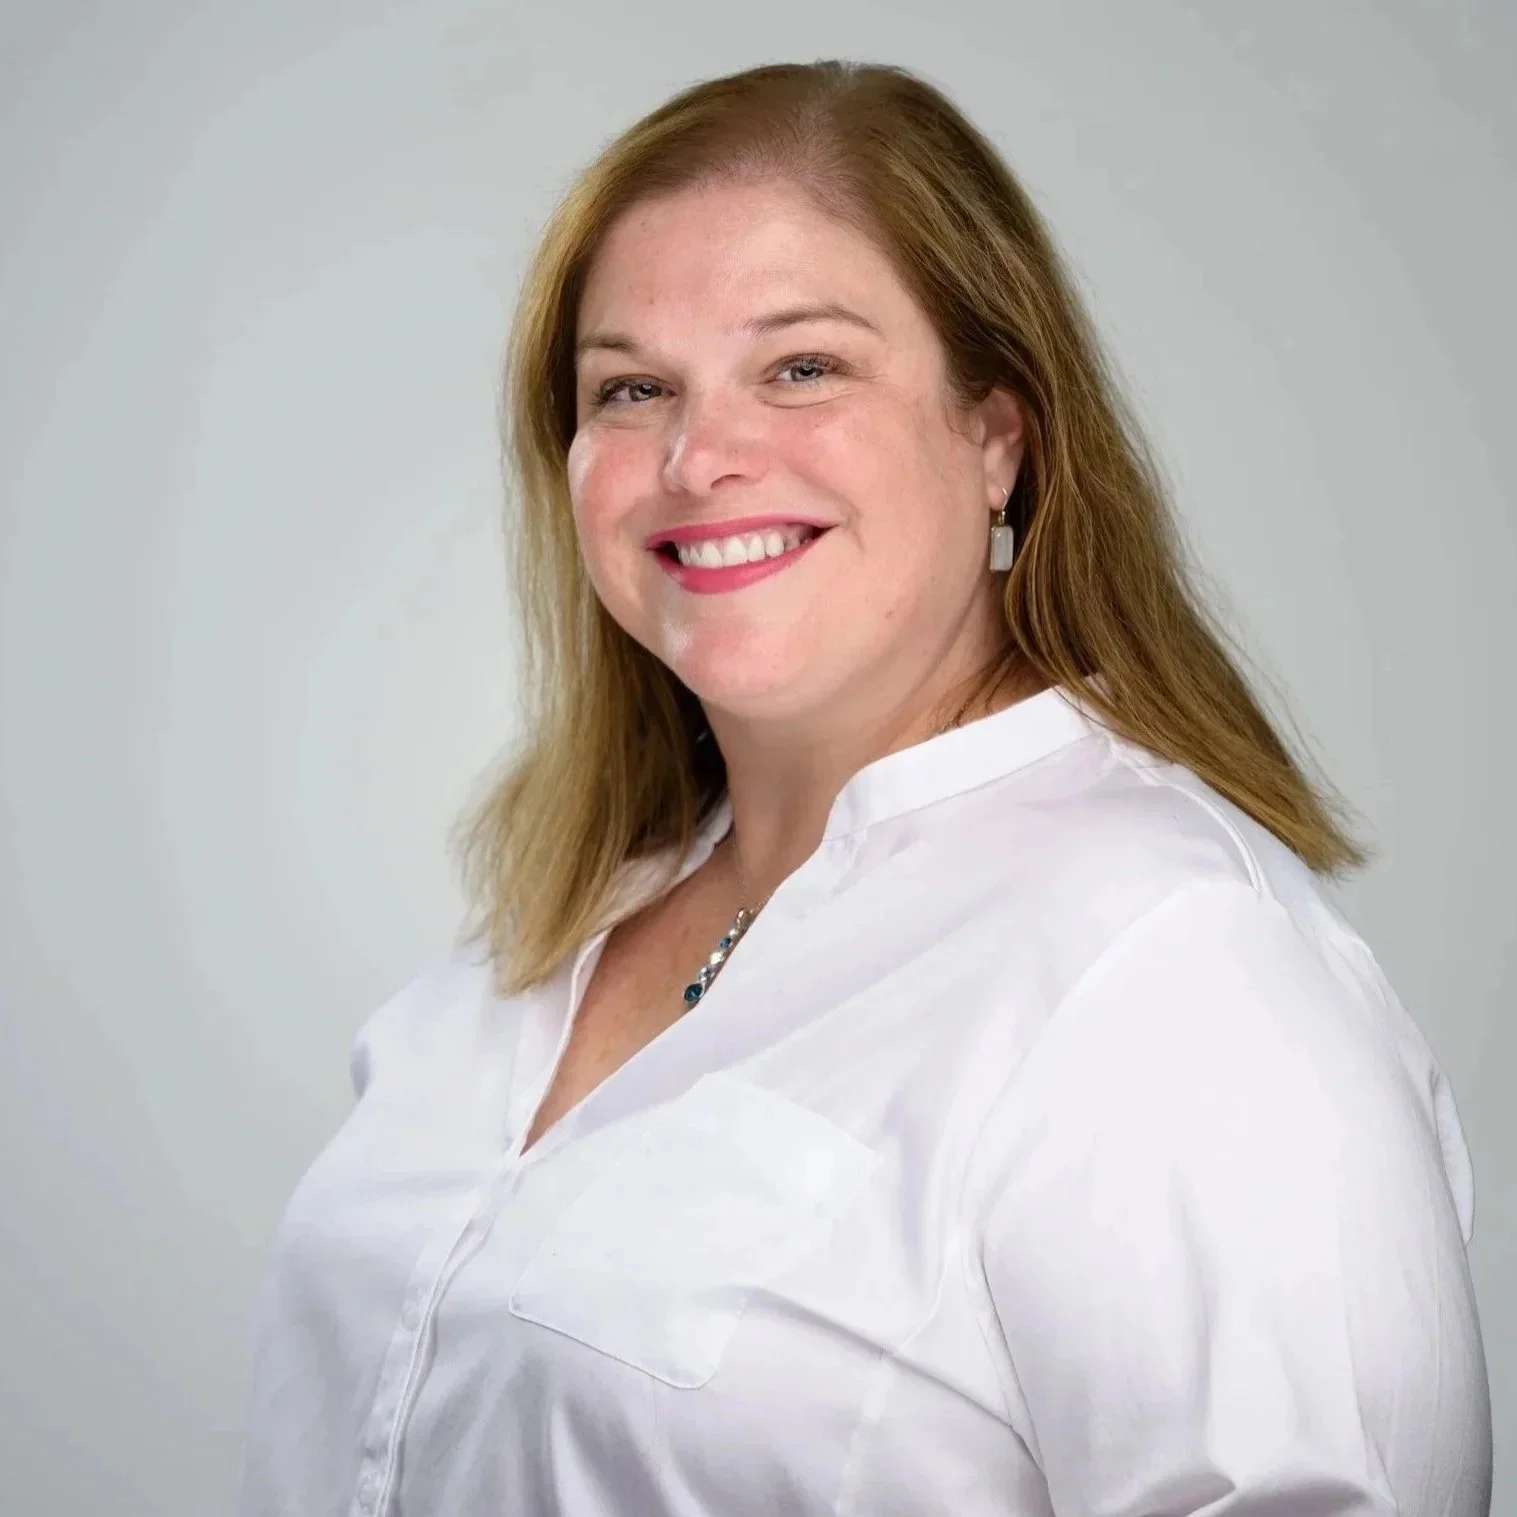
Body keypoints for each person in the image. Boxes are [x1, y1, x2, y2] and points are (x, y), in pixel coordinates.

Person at [238, 59, 1492, 1517]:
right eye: (632, 389)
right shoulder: (542, 941)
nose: (701, 458)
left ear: (996, 440)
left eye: (803, 367)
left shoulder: (1175, 974)